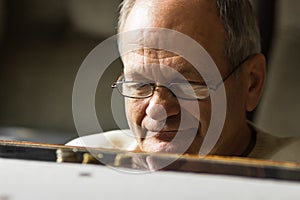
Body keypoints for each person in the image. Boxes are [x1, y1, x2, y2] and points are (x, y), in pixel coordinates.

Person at [67, 0, 300, 163]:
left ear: (252, 83)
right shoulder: (78, 165)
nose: (157, 110)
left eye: (185, 84)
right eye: (140, 84)